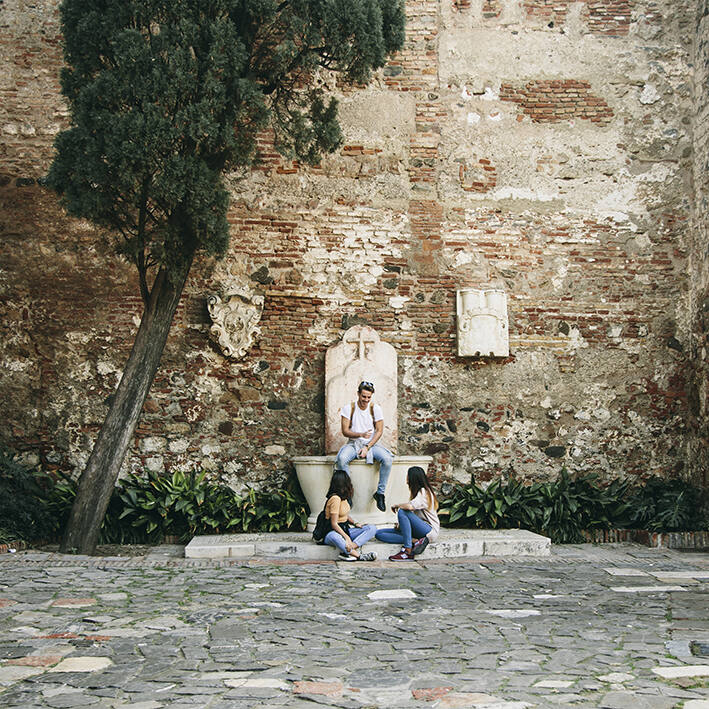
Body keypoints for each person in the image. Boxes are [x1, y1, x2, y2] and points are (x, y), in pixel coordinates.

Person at [335, 380, 393, 512]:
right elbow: (345, 431)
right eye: (363, 396)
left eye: (368, 397)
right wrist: (360, 434)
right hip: (353, 443)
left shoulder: (375, 408)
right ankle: (347, 492)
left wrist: (367, 446)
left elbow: (379, 431)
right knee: (342, 459)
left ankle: (380, 493)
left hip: (371, 445)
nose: (366, 400)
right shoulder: (348, 408)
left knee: (388, 459)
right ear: (358, 394)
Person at [375, 465, 439, 561]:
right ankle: (415, 541)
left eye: (408, 477)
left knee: (402, 511)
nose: (407, 480)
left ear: (413, 478)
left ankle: (407, 550)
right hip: (420, 531)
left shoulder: (424, 492)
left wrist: (397, 505)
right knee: (379, 533)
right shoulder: (418, 493)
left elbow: (409, 507)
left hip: (429, 530)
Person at [323, 469, 378, 561]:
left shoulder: (343, 498)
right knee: (335, 537)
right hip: (331, 532)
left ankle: (349, 548)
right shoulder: (335, 499)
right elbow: (334, 524)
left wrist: (356, 523)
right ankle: (360, 556)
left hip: (345, 529)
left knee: (372, 528)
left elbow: (345, 515)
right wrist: (347, 537)